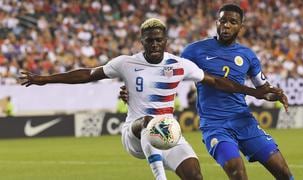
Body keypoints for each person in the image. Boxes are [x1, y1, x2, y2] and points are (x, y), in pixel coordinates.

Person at [20, 18, 285, 180]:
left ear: (166, 41)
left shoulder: (180, 65)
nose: (155, 44)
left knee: (194, 174)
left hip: (168, 132)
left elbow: (217, 82)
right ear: (142, 41)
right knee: (148, 120)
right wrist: (46, 78)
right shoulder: (125, 63)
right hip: (134, 133)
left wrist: (255, 92)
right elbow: (88, 74)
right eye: (150, 41)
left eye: (159, 40)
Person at [180, 4, 293, 180]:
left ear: (241, 26)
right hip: (215, 125)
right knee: (237, 172)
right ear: (217, 22)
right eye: (223, 20)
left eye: (233, 22)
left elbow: (263, 90)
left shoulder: (247, 55)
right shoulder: (194, 51)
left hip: (244, 121)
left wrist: (274, 95)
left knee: (284, 172)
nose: (226, 25)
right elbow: (170, 74)